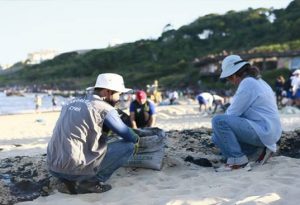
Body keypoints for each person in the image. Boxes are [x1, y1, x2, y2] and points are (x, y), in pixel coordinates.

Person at [47, 73, 140, 194]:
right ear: (108, 92)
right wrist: (136, 138)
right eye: (119, 94)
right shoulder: (104, 108)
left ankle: (66, 181)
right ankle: (90, 182)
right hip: (75, 169)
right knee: (129, 146)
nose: (119, 98)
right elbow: (126, 133)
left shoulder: (71, 102)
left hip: (54, 167)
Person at [211, 55, 282, 172]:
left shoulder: (248, 83)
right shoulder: (259, 81)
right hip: (269, 132)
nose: (231, 82)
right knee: (216, 137)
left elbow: (232, 113)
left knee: (218, 121)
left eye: (229, 79)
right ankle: (257, 152)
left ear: (234, 75)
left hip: (264, 130)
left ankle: (237, 161)